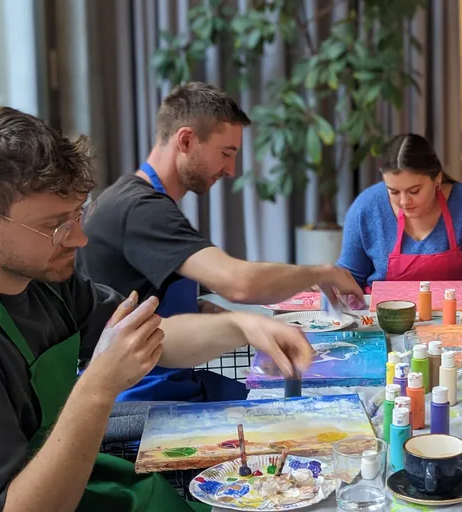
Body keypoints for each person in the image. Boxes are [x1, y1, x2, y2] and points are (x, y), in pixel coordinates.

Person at [0, 106, 312, 511]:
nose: (79, 239)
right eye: (54, 226)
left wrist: (242, 327)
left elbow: (156, 337)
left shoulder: (51, 284)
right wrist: (97, 389)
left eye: (77, 216)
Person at [77, 82, 362, 403]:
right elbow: (240, 283)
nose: (230, 170)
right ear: (185, 140)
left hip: (170, 374)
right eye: (225, 154)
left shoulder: (136, 200)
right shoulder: (141, 209)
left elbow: (140, 294)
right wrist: (320, 272)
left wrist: (202, 310)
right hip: (141, 395)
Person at [337, 133, 462, 293]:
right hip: (384, 321)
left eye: (414, 191)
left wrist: (455, 303)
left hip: (459, 322)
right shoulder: (367, 206)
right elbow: (351, 276)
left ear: (437, 178)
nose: (404, 202)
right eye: (393, 192)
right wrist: (333, 286)